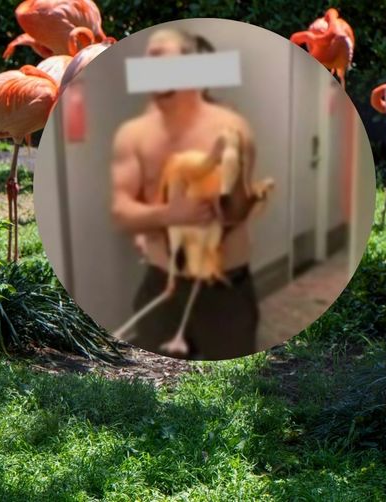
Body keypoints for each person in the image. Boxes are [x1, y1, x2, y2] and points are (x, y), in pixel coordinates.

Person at [110, 27, 260, 359]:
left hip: (225, 293)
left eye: (164, 60)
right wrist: (166, 215)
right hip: (161, 286)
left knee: (227, 396)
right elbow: (121, 210)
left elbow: (236, 212)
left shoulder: (233, 127)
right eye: (150, 60)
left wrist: (233, 185)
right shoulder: (134, 134)